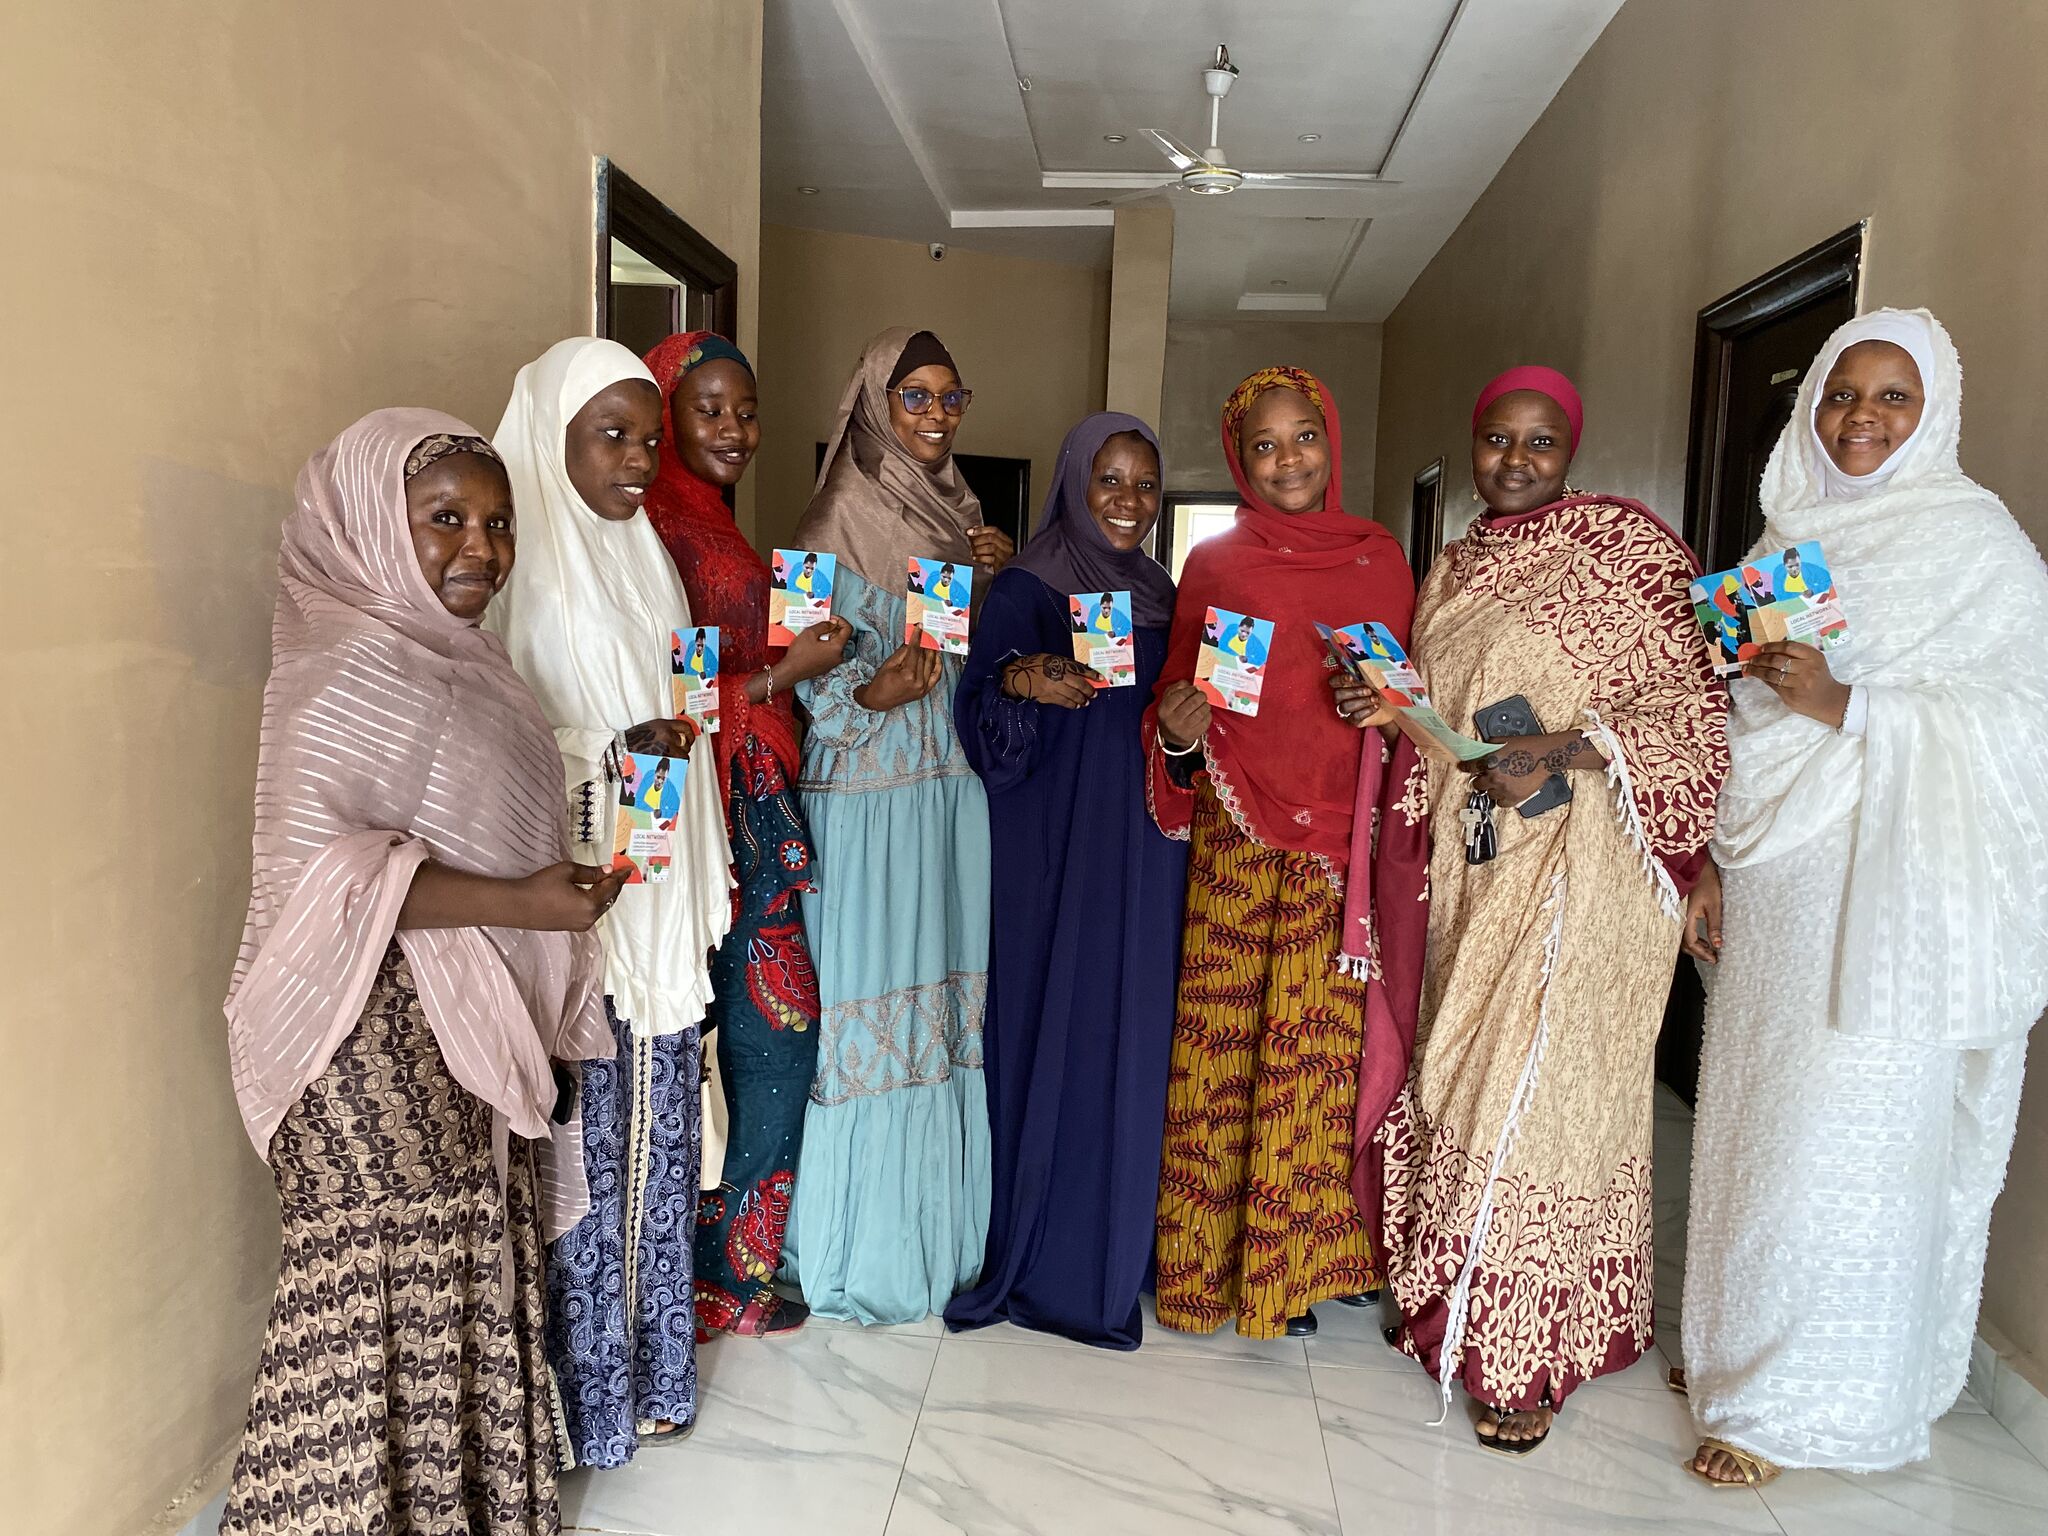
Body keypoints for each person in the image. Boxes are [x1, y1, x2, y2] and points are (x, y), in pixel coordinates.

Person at [220, 411, 619, 1534]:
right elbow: (326, 878)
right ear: (371, 525)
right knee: (367, 1305)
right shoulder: (341, 663)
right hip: (355, 1036)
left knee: (460, 1270)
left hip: (460, 1021)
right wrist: (523, 904)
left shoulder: (472, 664)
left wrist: (547, 902)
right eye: (444, 519)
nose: (479, 551)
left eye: (496, 524)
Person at [1679, 309, 2048, 1484]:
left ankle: (1799, 1402)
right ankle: (1736, 1348)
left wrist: (1856, 708)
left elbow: (2019, 729)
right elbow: (1734, 722)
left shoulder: (1976, 548)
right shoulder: (1783, 538)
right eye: (1842, 394)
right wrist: (1711, 861)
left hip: (1894, 885)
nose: (1859, 419)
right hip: (1776, 872)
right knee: (1751, 1118)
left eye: (1891, 398)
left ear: (1931, 409)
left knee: (1840, 1136)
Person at [1370, 365, 1728, 1455]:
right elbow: (1431, 718)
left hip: (1588, 877)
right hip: (1475, 864)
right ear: (1470, 445)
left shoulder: (1628, 554)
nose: (1512, 461)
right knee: (1460, 1071)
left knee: (1534, 1097)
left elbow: (1689, 709)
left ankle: (1516, 1354)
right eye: (1494, 439)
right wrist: (1389, 712)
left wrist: (1561, 750)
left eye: (1536, 443)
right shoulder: (1449, 569)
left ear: (1568, 450)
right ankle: (1451, 1287)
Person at [487, 338, 733, 1464]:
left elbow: (685, 692)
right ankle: (587, 1399)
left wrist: (679, 732)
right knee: (587, 1144)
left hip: (661, 874)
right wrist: (607, 752)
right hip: (579, 896)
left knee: (661, 1130)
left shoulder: (643, 555)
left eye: (646, 437)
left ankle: (656, 1369)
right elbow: (499, 746)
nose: (637, 460)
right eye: (611, 435)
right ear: (552, 435)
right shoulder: (516, 564)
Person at [1145, 367, 1429, 1341]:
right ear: (1237, 459)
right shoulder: (1215, 567)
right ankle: (1204, 1264)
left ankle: (1294, 1268)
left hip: (1334, 851)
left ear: (1330, 439)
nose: (1287, 460)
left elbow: (1409, 705)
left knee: (1313, 1060)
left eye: (1302, 436)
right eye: (1262, 445)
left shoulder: (1378, 560)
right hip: (1236, 839)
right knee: (1221, 1056)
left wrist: (1382, 715)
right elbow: (1175, 721)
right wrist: (1177, 732)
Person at [943, 412, 1189, 1349]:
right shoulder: (1026, 590)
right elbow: (978, 719)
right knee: (1055, 1023)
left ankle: (1120, 1249)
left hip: (1144, 852)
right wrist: (1023, 682)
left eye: (1144, 485)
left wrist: (1184, 729)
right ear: (1075, 482)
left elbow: (1186, 734)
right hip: (1048, 849)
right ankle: (1045, 1255)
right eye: (1110, 480)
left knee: (1132, 1034)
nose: (1128, 502)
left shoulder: (1165, 595)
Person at [785, 326, 1012, 1324]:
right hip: (865, 800)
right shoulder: (819, 523)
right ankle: (855, 1254)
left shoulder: (962, 517)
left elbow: (964, 668)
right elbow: (789, 682)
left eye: (948, 397)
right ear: (873, 400)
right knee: (868, 1010)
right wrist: (862, 698)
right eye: (911, 395)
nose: (932, 415)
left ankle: (940, 1239)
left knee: (942, 1011)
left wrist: (993, 581)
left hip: (947, 793)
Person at [640, 330, 854, 1338]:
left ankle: (738, 1274)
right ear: (664, 410)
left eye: (745, 410)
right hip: (702, 807)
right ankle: (695, 1274)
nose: (732, 429)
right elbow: (666, 703)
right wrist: (781, 676)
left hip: (756, 793)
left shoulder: (711, 527)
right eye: (708, 409)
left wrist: (804, 659)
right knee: (722, 1035)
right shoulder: (650, 532)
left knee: (772, 1034)